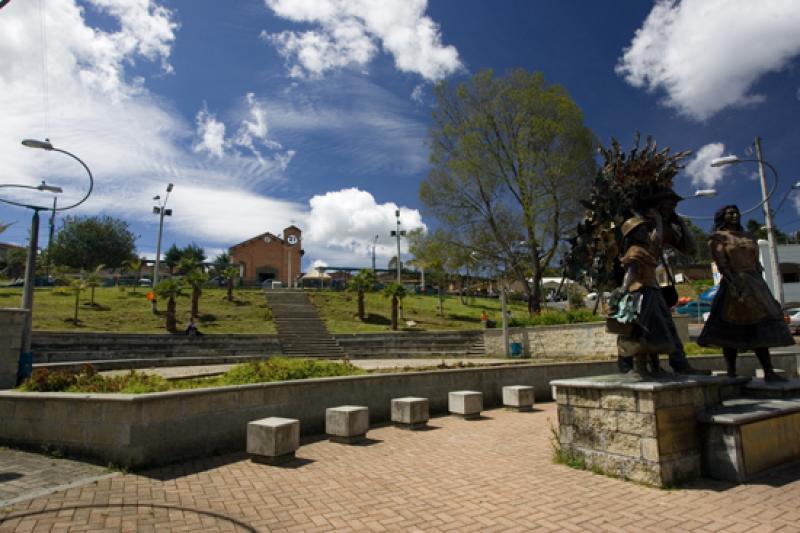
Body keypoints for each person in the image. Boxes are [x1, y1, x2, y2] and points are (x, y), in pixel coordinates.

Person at [697, 205, 791, 381]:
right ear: (722, 217)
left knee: (761, 328)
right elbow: (722, 263)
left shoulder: (749, 236)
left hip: (755, 284)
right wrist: (735, 284)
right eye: (730, 213)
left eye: (736, 213)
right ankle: (731, 371)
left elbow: (756, 263)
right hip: (734, 284)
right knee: (729, 329)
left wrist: (761, 286)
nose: (734, 215)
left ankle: (768, 371)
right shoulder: (718, 238)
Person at [614, 188, 699, 375]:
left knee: (663, 325)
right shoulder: (639, 224)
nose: (672, 207)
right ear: (657, 205)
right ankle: (628, 366)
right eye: (669, 203)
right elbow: (647, 244)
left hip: (650, 282)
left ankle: (678, 364)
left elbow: (689, 249)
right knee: (632, 325)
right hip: (631, 280)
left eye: (674, 205)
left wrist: (681, 224)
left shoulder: (664, 225)